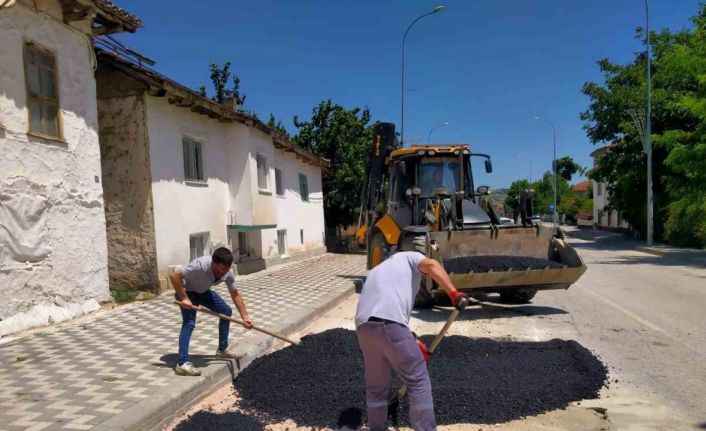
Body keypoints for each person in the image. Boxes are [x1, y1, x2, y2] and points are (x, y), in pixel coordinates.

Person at [355, 250, 468, 431]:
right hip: (390, 325)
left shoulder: (378, 270)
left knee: (376, 387)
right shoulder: (410, 257)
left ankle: (376, 428)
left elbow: (384, 315)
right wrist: (454, 294)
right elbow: (432, 265)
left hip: (364, 329)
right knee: (418, 382)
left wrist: (412, 341)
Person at [169, 247, 254, 376]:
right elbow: (174, 276)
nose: (222, 273)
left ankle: (222, 350)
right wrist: (185, 298)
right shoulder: (200, 266)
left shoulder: (228, 272)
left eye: (225, 270)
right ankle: (182, 363)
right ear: (213, 264)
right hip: (187, 291)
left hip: (203, 292)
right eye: (220, 270)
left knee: (226, 311)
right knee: (189, 323)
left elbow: (235, 294)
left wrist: (245, 317)